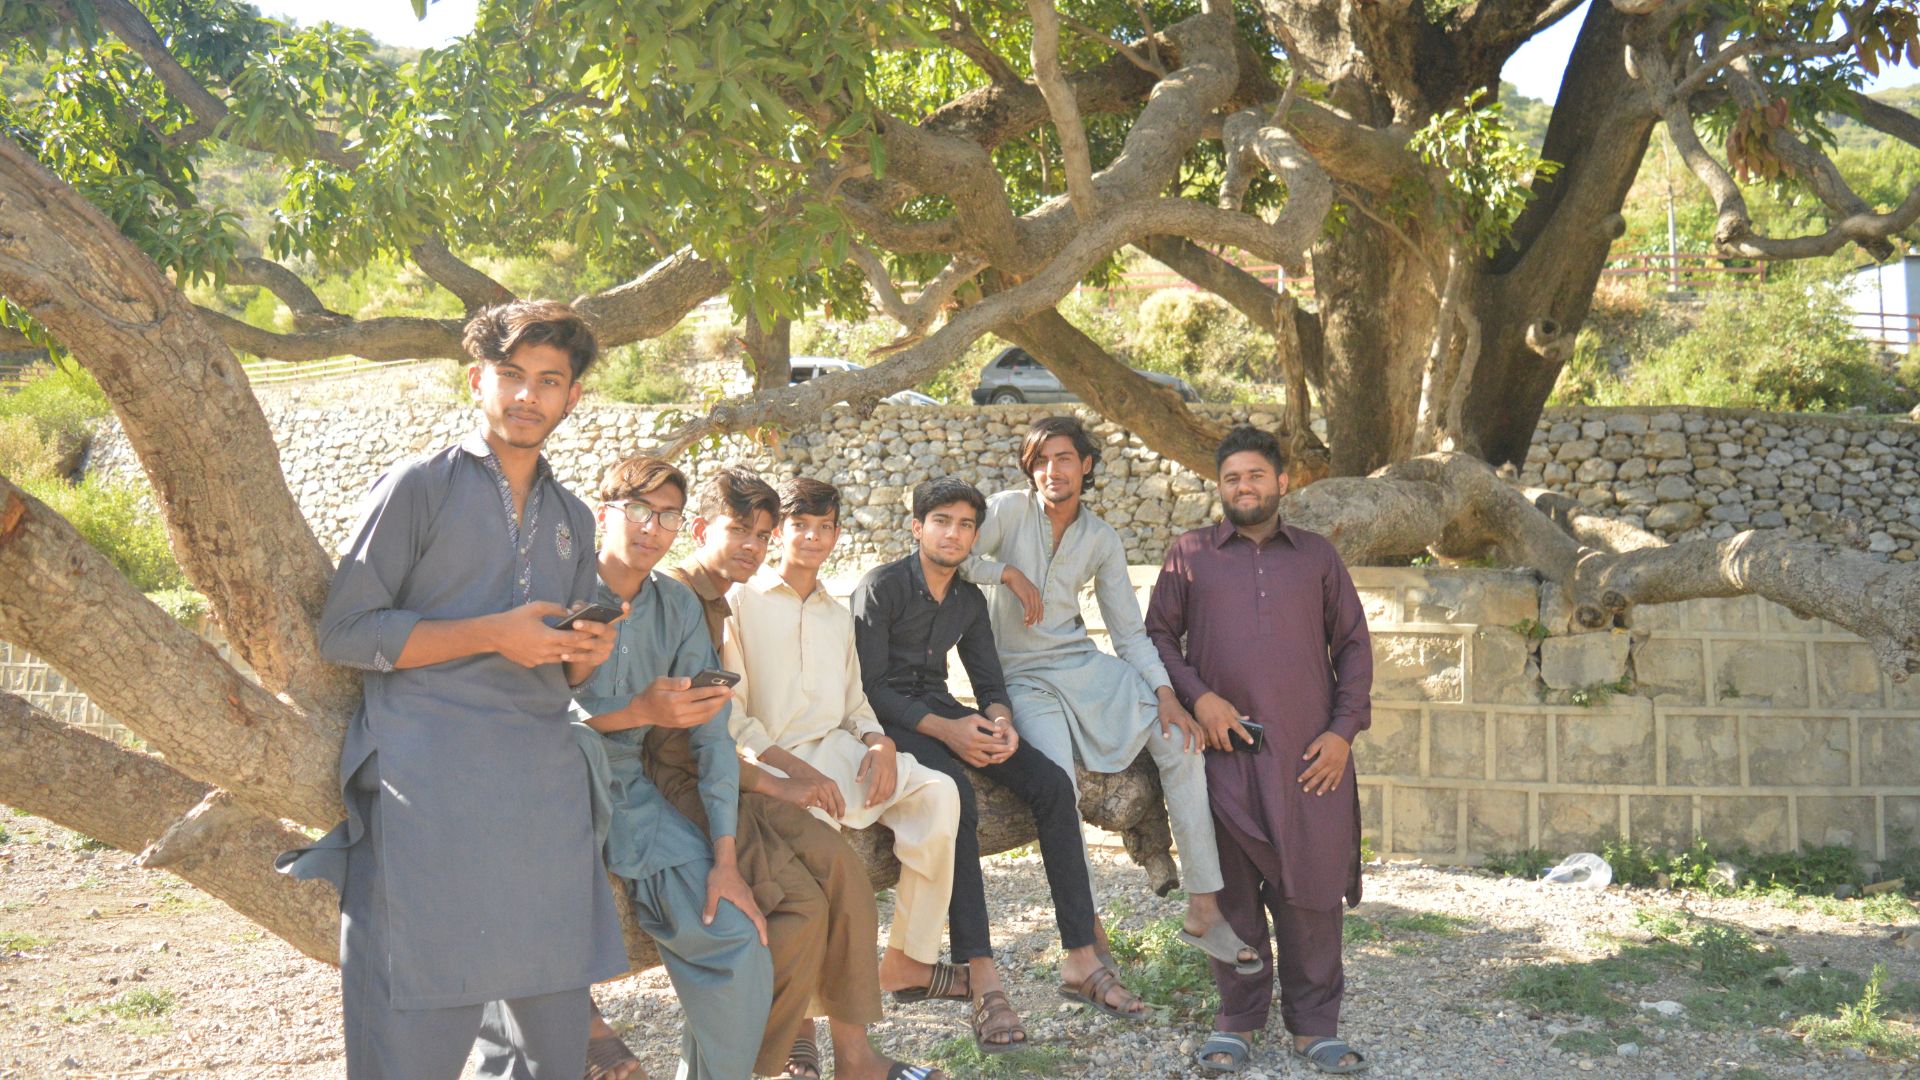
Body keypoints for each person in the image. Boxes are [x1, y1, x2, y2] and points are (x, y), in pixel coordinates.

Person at [279, 300, 628, 1079]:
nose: (526, 396)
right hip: (426, 782)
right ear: (478, 381)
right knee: (414, 1025)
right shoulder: (418, 487)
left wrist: (589, 649)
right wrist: (492, 632)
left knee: (552, 1029)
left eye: (548, 381)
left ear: (573, 397)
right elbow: (346, 631)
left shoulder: (572, 516)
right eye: (511, 375)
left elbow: (569, 672)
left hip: (539, 793)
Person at [852, 478, 1148, 1056]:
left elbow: (988, 680)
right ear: (917, 528)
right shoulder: (881, 587)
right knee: (955, 796)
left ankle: (1082, 957)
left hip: (940, 708)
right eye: (942, 520)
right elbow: (868, 687)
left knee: (1052, 785)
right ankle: (981, 975)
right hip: (885, 723)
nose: (954, 533)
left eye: (966, 524)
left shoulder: (966, 598)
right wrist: (949, 732)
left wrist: (999, 721)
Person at [959, 416, 1258, 973]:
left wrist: (1167, 695)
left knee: (1181, 744)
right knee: (1059, 786)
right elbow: (957, 555)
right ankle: (1085, 923)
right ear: (1031, 467)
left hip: (1083, 664)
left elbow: (1128, 632)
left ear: (1086, 465)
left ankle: (1203, 908)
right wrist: (1005, 573)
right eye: (1042, 459)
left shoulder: (1100, 537)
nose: (1053, 469)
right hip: (1020, 677)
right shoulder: (1004, 510)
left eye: (1065, 457)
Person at [647, 468, 916, 1080]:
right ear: (700, 530)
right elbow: (688, 739)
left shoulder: (719, 600)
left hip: (731, 773)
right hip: (692, 783)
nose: (753, 545)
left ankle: (854, 1057)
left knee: (845, 872)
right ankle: (747, 1065)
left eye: (762, 534)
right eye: (740, 530)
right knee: (798, 911)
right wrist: (781, 781)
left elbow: (725, 727)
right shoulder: (679, 597)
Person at [1145, 426, 1373, 1076]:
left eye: (1255, 476)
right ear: (1221, 488)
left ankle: (1315, 1026)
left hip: (1311, 757)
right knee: (1234, 888)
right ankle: (1238, 1020)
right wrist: (1198, 699)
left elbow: (1353, 645)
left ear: (1281, 481)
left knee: (1313, 888)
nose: (1244, 487)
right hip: (1221, 757)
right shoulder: (1190, 554)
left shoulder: (1317, 557)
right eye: (1232, 479)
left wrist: (1341, 731)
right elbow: (1157, 635)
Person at [721, 476, 960, 1071]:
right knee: (817, 880)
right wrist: (792, 771)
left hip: (841, 753)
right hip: (772, 768)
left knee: (939, 792)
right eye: (801, 525)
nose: (814, 538)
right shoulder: (740, 603)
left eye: (826, 527)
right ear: (778, 531)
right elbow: (736, 718)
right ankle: (807, 1030)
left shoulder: (838, 613)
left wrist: (879, 744)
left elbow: (855, 704)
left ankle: (908, 957)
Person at [569, 454, 774, 1080]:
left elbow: (713, 738)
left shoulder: (678, 608)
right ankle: (578, 1035)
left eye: (666, 516)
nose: (650, 528)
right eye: (637, 511)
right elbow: (518, 716)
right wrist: (634, 709)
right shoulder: (556, 592)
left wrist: (726, 861)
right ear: (604, 514)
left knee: (740, 941)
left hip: (630, 794)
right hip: (542, 788)